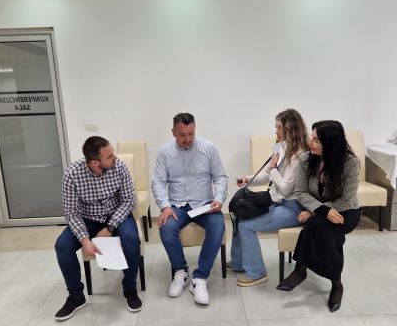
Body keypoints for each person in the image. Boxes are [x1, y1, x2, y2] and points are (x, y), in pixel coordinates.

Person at [54, 136, 142, 321]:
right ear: (95, 162)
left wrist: (109, 227)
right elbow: (71, 213)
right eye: (109, 156)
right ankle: (76, 296)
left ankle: (130, 289)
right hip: (88, 218)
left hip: (117, 215)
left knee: (132, 240)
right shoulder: (72, 174)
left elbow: (129, 201)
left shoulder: (119, 167)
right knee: (62, 246)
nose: (115, 157)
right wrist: (85, 240)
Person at [276, 120, 361, 312]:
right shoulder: (307, 159)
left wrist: (317, 211)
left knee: (317, 225)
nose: (310, 143)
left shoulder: (350, 163)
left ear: (330, 143)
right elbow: (301, 192)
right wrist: (321, 211)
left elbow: (347, 200)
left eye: (316, 140)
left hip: (347, 211)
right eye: (312, 138)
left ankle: (301, 269)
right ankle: (336, 283)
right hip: (320, 211)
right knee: (326, 230)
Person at [151, 113, 228, 305]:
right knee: (166, 228)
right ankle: (181, 272)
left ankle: (199, 279)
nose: (188, 139)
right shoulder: (164, 152)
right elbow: (158, 182)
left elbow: (220, 177)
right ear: (173, 132)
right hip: (177, 205)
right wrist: (164, 206)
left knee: (218, 226)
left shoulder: (209, 148)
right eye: (182, 135)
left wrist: (218, 199)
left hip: (204, 204)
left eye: (191, 134)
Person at [230, 109, 309, 287]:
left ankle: (257, 273)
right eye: (276, 127)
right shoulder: (282, 148)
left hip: (292, 208)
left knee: (246, 226)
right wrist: (247, 179)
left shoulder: (300, 155)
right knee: (239, 215)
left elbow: (286, 188)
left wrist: (273, 168)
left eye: (279, 127)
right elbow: (267, 174)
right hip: (277, 203)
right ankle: (238, 262)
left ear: (290, 129)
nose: (276, 131)